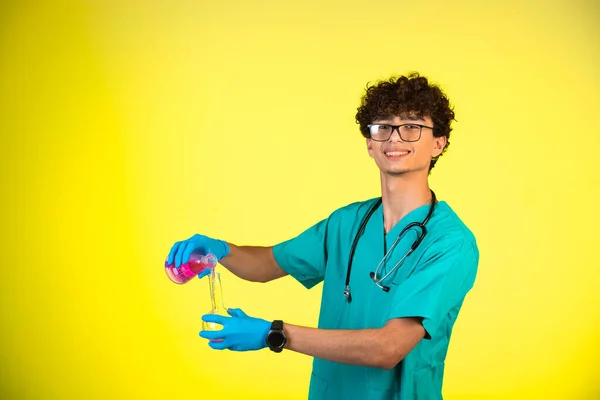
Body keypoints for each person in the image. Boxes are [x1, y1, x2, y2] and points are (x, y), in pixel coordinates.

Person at [166, 72, 479, 400]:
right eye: (382, 126)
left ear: (438, 143)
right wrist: (220, 250)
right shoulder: (346, 223)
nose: (395, 138)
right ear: (370, 144)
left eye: (412, 127)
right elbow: (266, 264)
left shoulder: (449, 242)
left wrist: (276, 334)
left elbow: (389, 348)